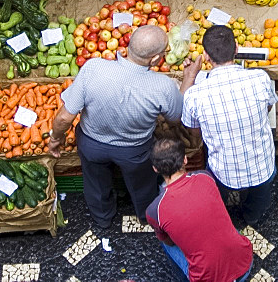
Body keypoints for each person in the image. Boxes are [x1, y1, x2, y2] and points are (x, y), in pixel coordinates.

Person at [48, 25, 182, 229]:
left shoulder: (93, 68)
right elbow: (175, 119)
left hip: (92, 144)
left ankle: (102, 218)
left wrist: (56, 139)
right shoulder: (163, 85)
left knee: (95, 182)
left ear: (127, 45)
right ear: (155, 59)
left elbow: (64, 118)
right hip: (135, 151)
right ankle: (146, 216)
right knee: (143, 184)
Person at [180, 25, 277, 225]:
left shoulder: (195, 94)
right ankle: (252, 217)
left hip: (223, 172)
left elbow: (193, 130)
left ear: (205, 56)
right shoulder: (260, 78)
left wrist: (189, 77)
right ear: (236, 49)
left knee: (218, 197)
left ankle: (221, 218)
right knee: (259, 198)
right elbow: (268, 107)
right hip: (263, 166)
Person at [146, 137, 254, 282]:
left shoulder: (154, 210)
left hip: (207, 278)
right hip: (244, 264)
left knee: (164, 243)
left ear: (155, 169)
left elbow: (170, 242)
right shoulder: (204, 177)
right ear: (185, 160)